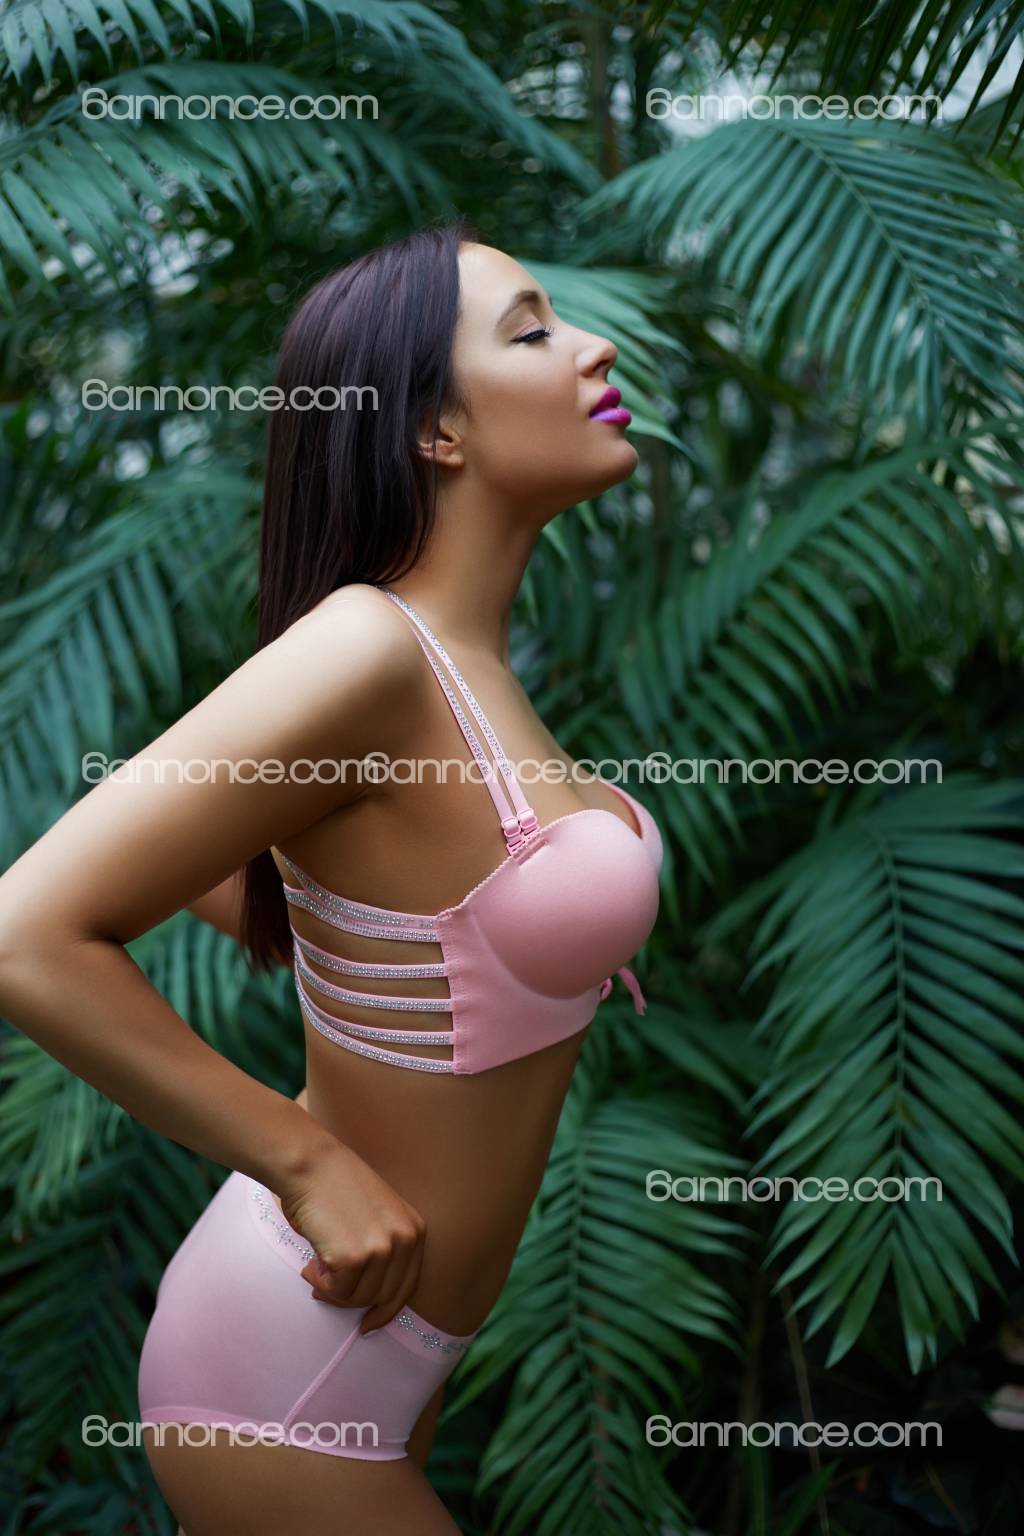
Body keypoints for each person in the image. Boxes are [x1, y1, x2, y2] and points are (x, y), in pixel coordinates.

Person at [0, 221, 662, 1533]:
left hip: (387, 1355)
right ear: (435, 430)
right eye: (533, 332)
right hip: (281, 1363)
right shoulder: (372, 647)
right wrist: (306, 1161)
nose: (596, 348)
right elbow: (27, 933)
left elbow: (288, 869)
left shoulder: (464, 673)